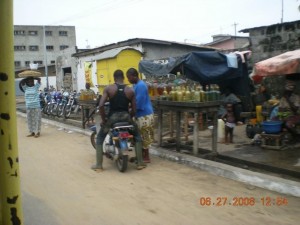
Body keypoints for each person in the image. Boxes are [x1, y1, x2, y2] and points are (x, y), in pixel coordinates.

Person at [91, 70, 146, 171]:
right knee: (137, 136)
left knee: (99, 138)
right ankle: (140, 163)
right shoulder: (130, 90)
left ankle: (99, 165)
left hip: (113, 118)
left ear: (114, 78)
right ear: (123, 78)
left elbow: (101, 105)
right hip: (126, 117)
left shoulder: (109, 89)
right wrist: (130, 117)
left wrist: (104, 119)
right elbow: (134, 109)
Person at [126, 68, 154, 163]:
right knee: (139, 135)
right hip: (140, 114)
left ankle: (146, 157)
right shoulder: (135, 85)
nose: (128, 80)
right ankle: (140, 155)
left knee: (144, 135)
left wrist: (130, 113)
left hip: (144, 114)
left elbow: (138, 103)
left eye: (129, 78)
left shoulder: (141, 86)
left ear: (134, 76)